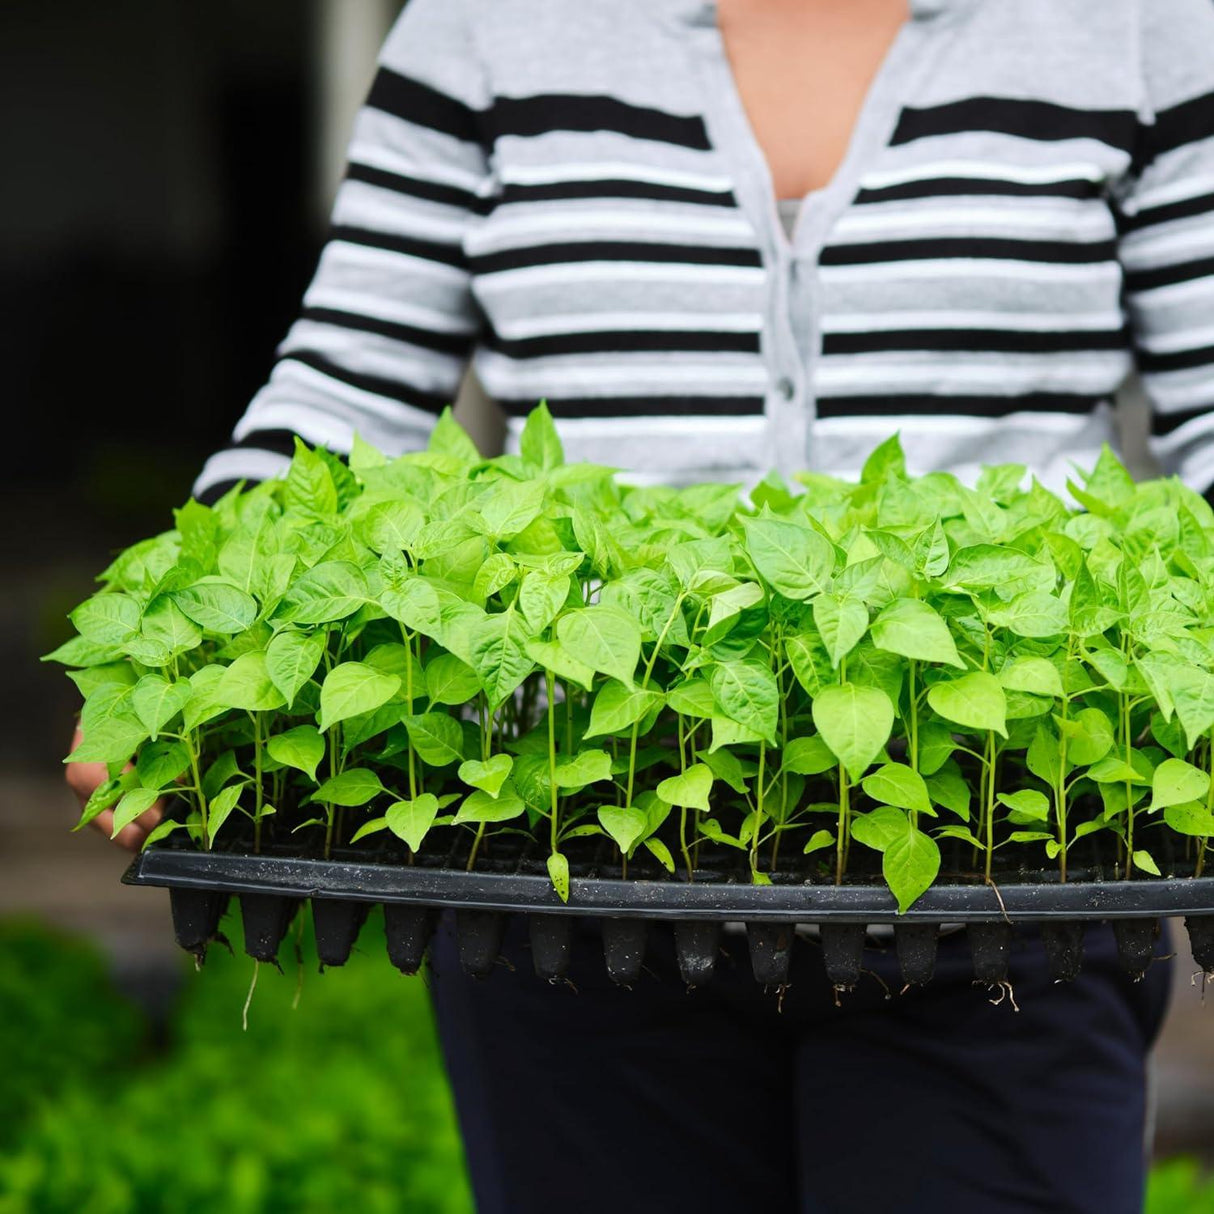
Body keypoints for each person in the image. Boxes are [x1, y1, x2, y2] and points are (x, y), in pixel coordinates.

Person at [67, 0, 1214, 1208]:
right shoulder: (487, 29)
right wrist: (182, 649)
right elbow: (345, 385)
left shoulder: (1133, 26)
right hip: (566, 862)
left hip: (1008, 854)